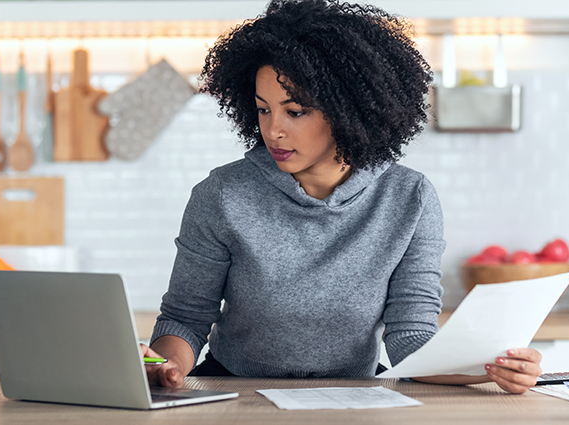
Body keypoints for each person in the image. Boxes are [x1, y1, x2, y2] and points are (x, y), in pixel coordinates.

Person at [140, 0, 543, 394]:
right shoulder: (222, 194)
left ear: (349, 110)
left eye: (295, 111)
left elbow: (411, 336)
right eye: (263, 110)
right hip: (235, 388)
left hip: (356, 391)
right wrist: (165, 365)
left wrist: (491, 368)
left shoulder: (409, 198)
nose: (273, 130)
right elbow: (186, 319)